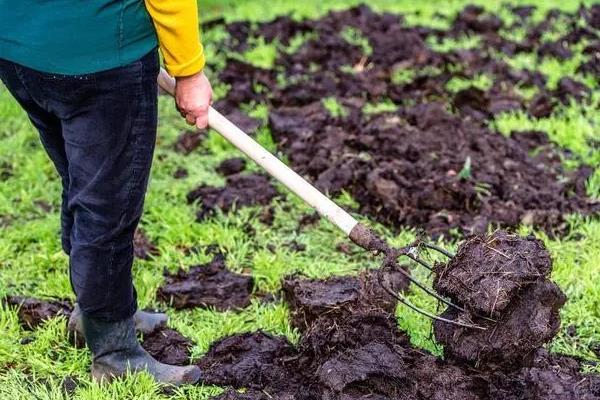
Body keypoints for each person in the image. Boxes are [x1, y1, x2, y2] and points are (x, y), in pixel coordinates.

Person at [0, 0, 213, 386]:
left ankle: (97, 310)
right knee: (107, 204)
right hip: (100, 58)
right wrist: (190, 71)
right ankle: (115, 352)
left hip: (19, 52)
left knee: (82, 181)